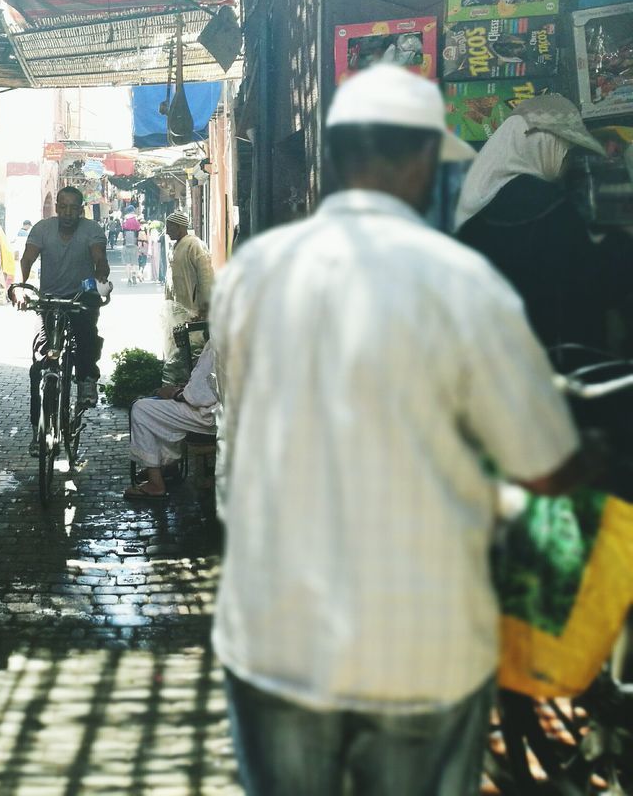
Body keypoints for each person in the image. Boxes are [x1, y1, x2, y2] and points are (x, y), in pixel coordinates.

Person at [210, 65, 591, 796]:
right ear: (421, 160)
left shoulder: (254, 273)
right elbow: (542, 466)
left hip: (276, 632)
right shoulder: (462, 282)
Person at [455, 95, 633, 354]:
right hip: (555, 363)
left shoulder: (473, 208)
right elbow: (594, 282)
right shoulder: (548, 205)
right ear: (545, 145)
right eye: (566, 151)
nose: (567, 162)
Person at [17, 186, 110, 422]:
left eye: (73, 208)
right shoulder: (42, 229)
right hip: (50, 299)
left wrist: (101, 276)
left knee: (87, 337)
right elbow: (28, 258)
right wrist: (21, 285)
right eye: (63, 206)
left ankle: (87, 380)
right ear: (57, 207)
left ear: (81, 210)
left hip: (81, 296)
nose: (68, 212)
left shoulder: (92, 230)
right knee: (41, 359)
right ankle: (38, 428)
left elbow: (99, 257)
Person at [124, 344, 219, 502]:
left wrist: (176, 393)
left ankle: (156, 484)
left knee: (142, 409)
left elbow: (198, 396)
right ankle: (167, 465)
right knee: (168, 411)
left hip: (216, 417)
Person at [162, 209, 214, 386]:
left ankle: (196, 385)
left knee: (195, 348)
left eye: (169, 227)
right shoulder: (176, 247)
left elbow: (206, 276)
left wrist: (206, 306)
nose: (167, 231)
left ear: (179, 227)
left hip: (193, 308)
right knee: (181, 348)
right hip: (179, 307)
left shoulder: (194, 245)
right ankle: (183, 383)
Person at [121, 207, 141, 283]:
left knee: (127, 264)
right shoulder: (136, 220)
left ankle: (129, 278)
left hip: (126, 244)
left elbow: (122, 229)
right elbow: (139, 229)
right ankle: (134, 274)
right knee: (134, 263)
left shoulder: (125, 220)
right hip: (134, 244)